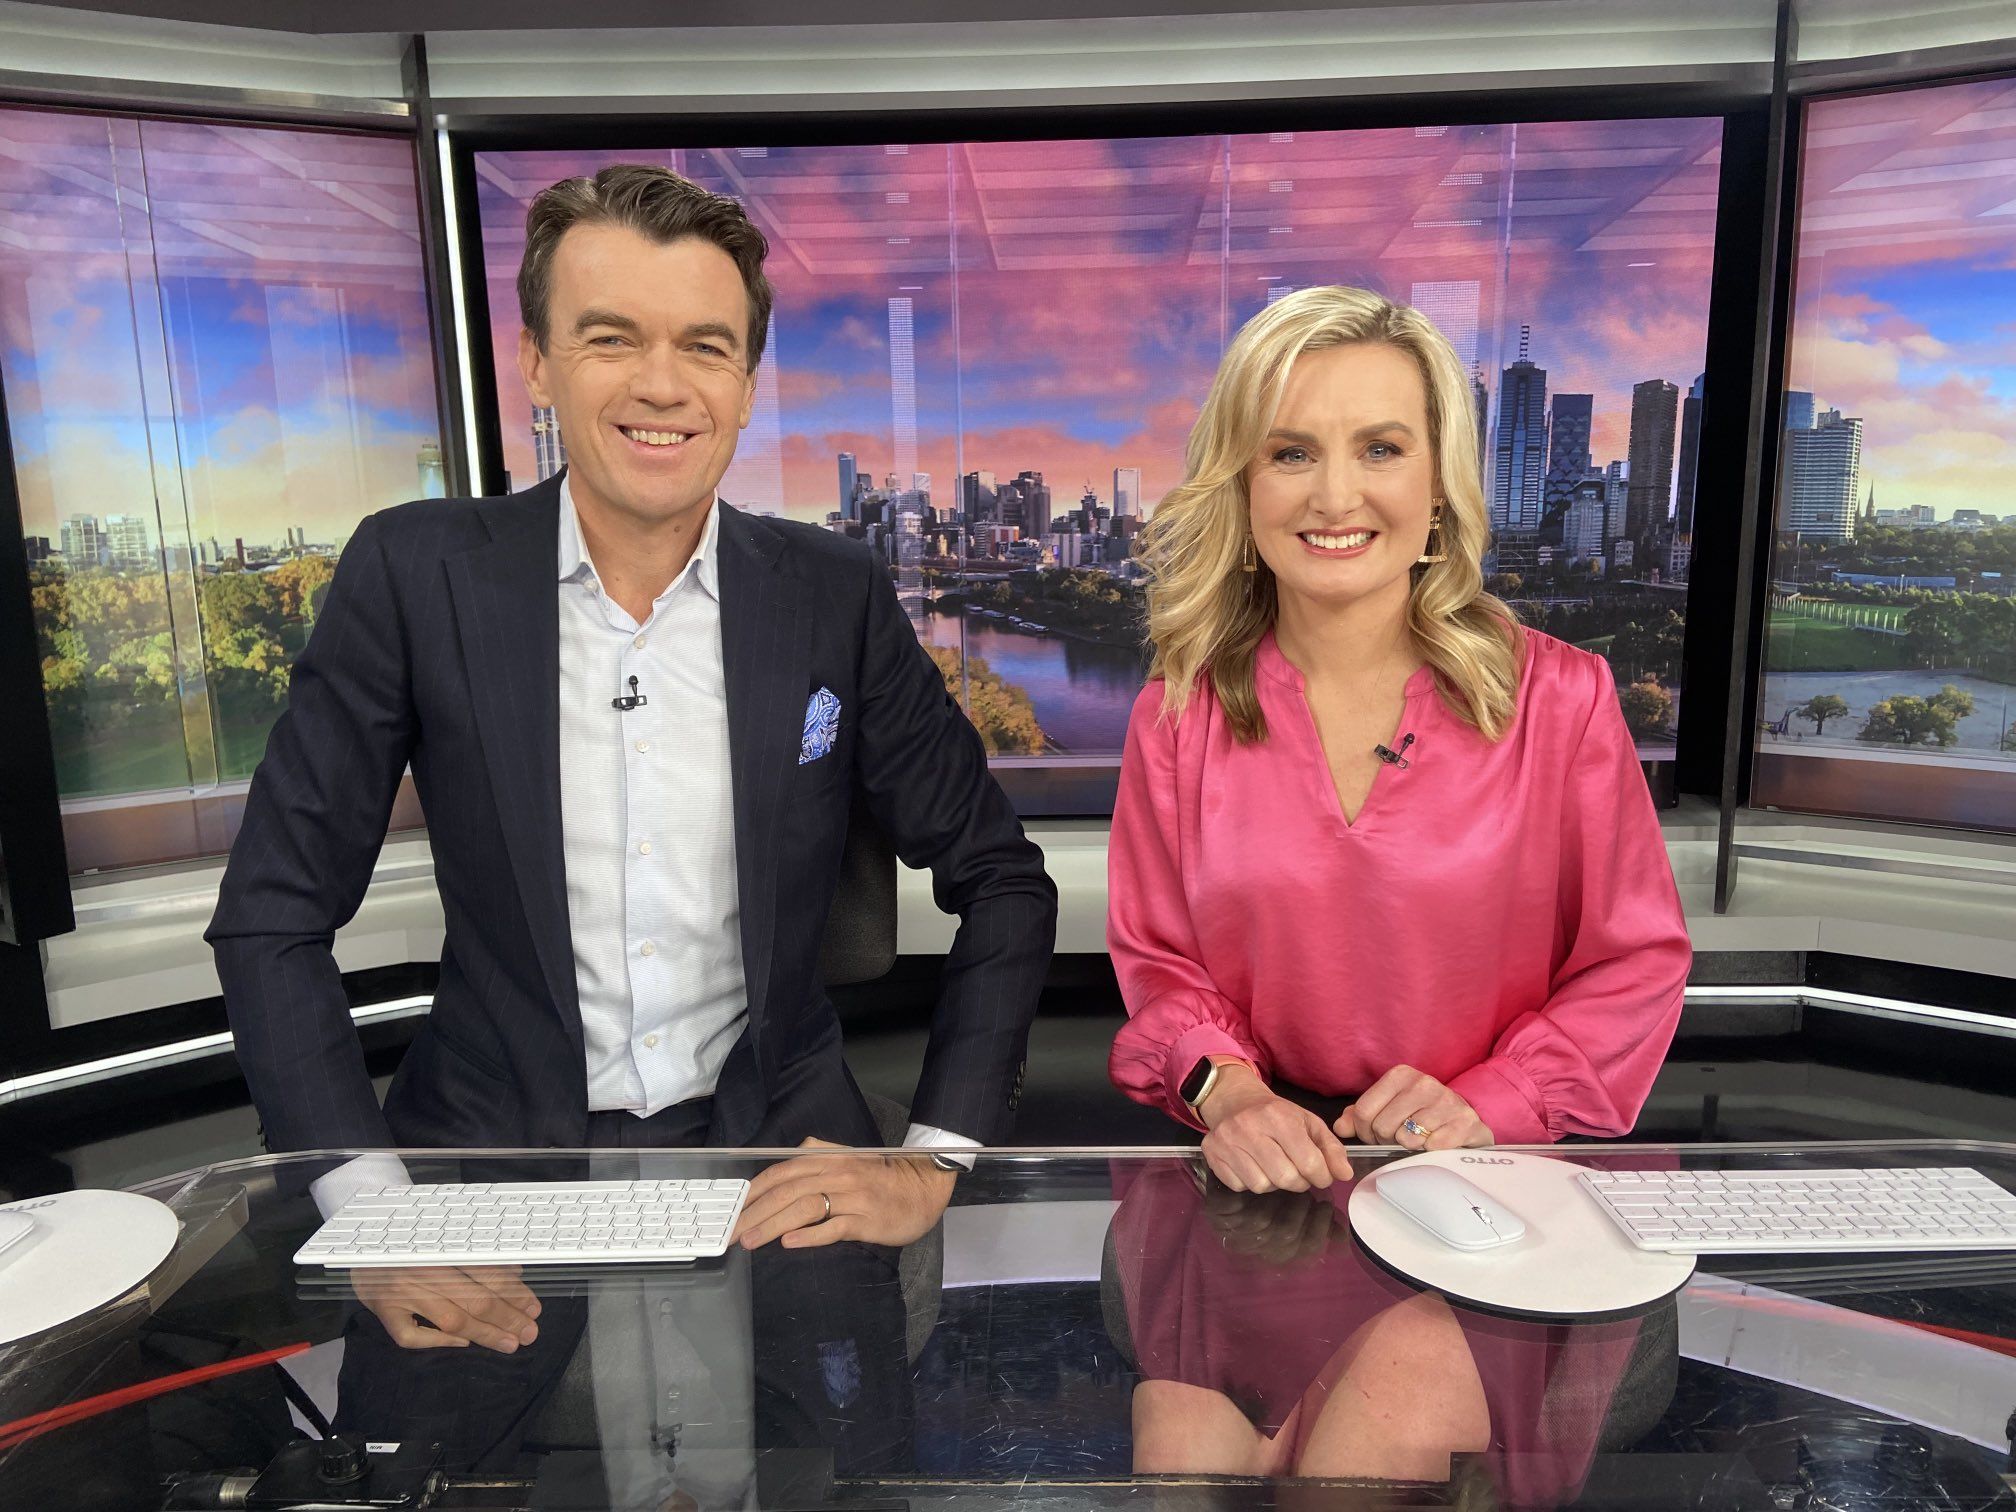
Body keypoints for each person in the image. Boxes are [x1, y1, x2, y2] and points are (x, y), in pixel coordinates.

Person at [208, 165, 1057, 1353]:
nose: (663, 385)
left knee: (833, 1446)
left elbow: (1002, 881)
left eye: (705, 347)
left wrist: (936, 1155)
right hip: (483, 1164)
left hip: (781, 1161)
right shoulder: (414, 574)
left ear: (745, 385)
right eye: (611, 338)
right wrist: (369, 1208)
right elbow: (271, 914)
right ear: (537, 364)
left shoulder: (834, 594)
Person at [1103, 285, 1690, 1479]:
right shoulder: (1179, 710)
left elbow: (1633, 964)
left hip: (1496, 1178)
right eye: (1291, 453)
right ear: (1243, 486)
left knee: (1357, 1462)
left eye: (1379, 448)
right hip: (1268, 1185)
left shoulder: (1562, 698)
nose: (1335, 496)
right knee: (1183, 1466)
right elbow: (1162, 967)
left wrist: (1493, 1101)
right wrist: (1229, 1093)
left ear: (1438, 485)